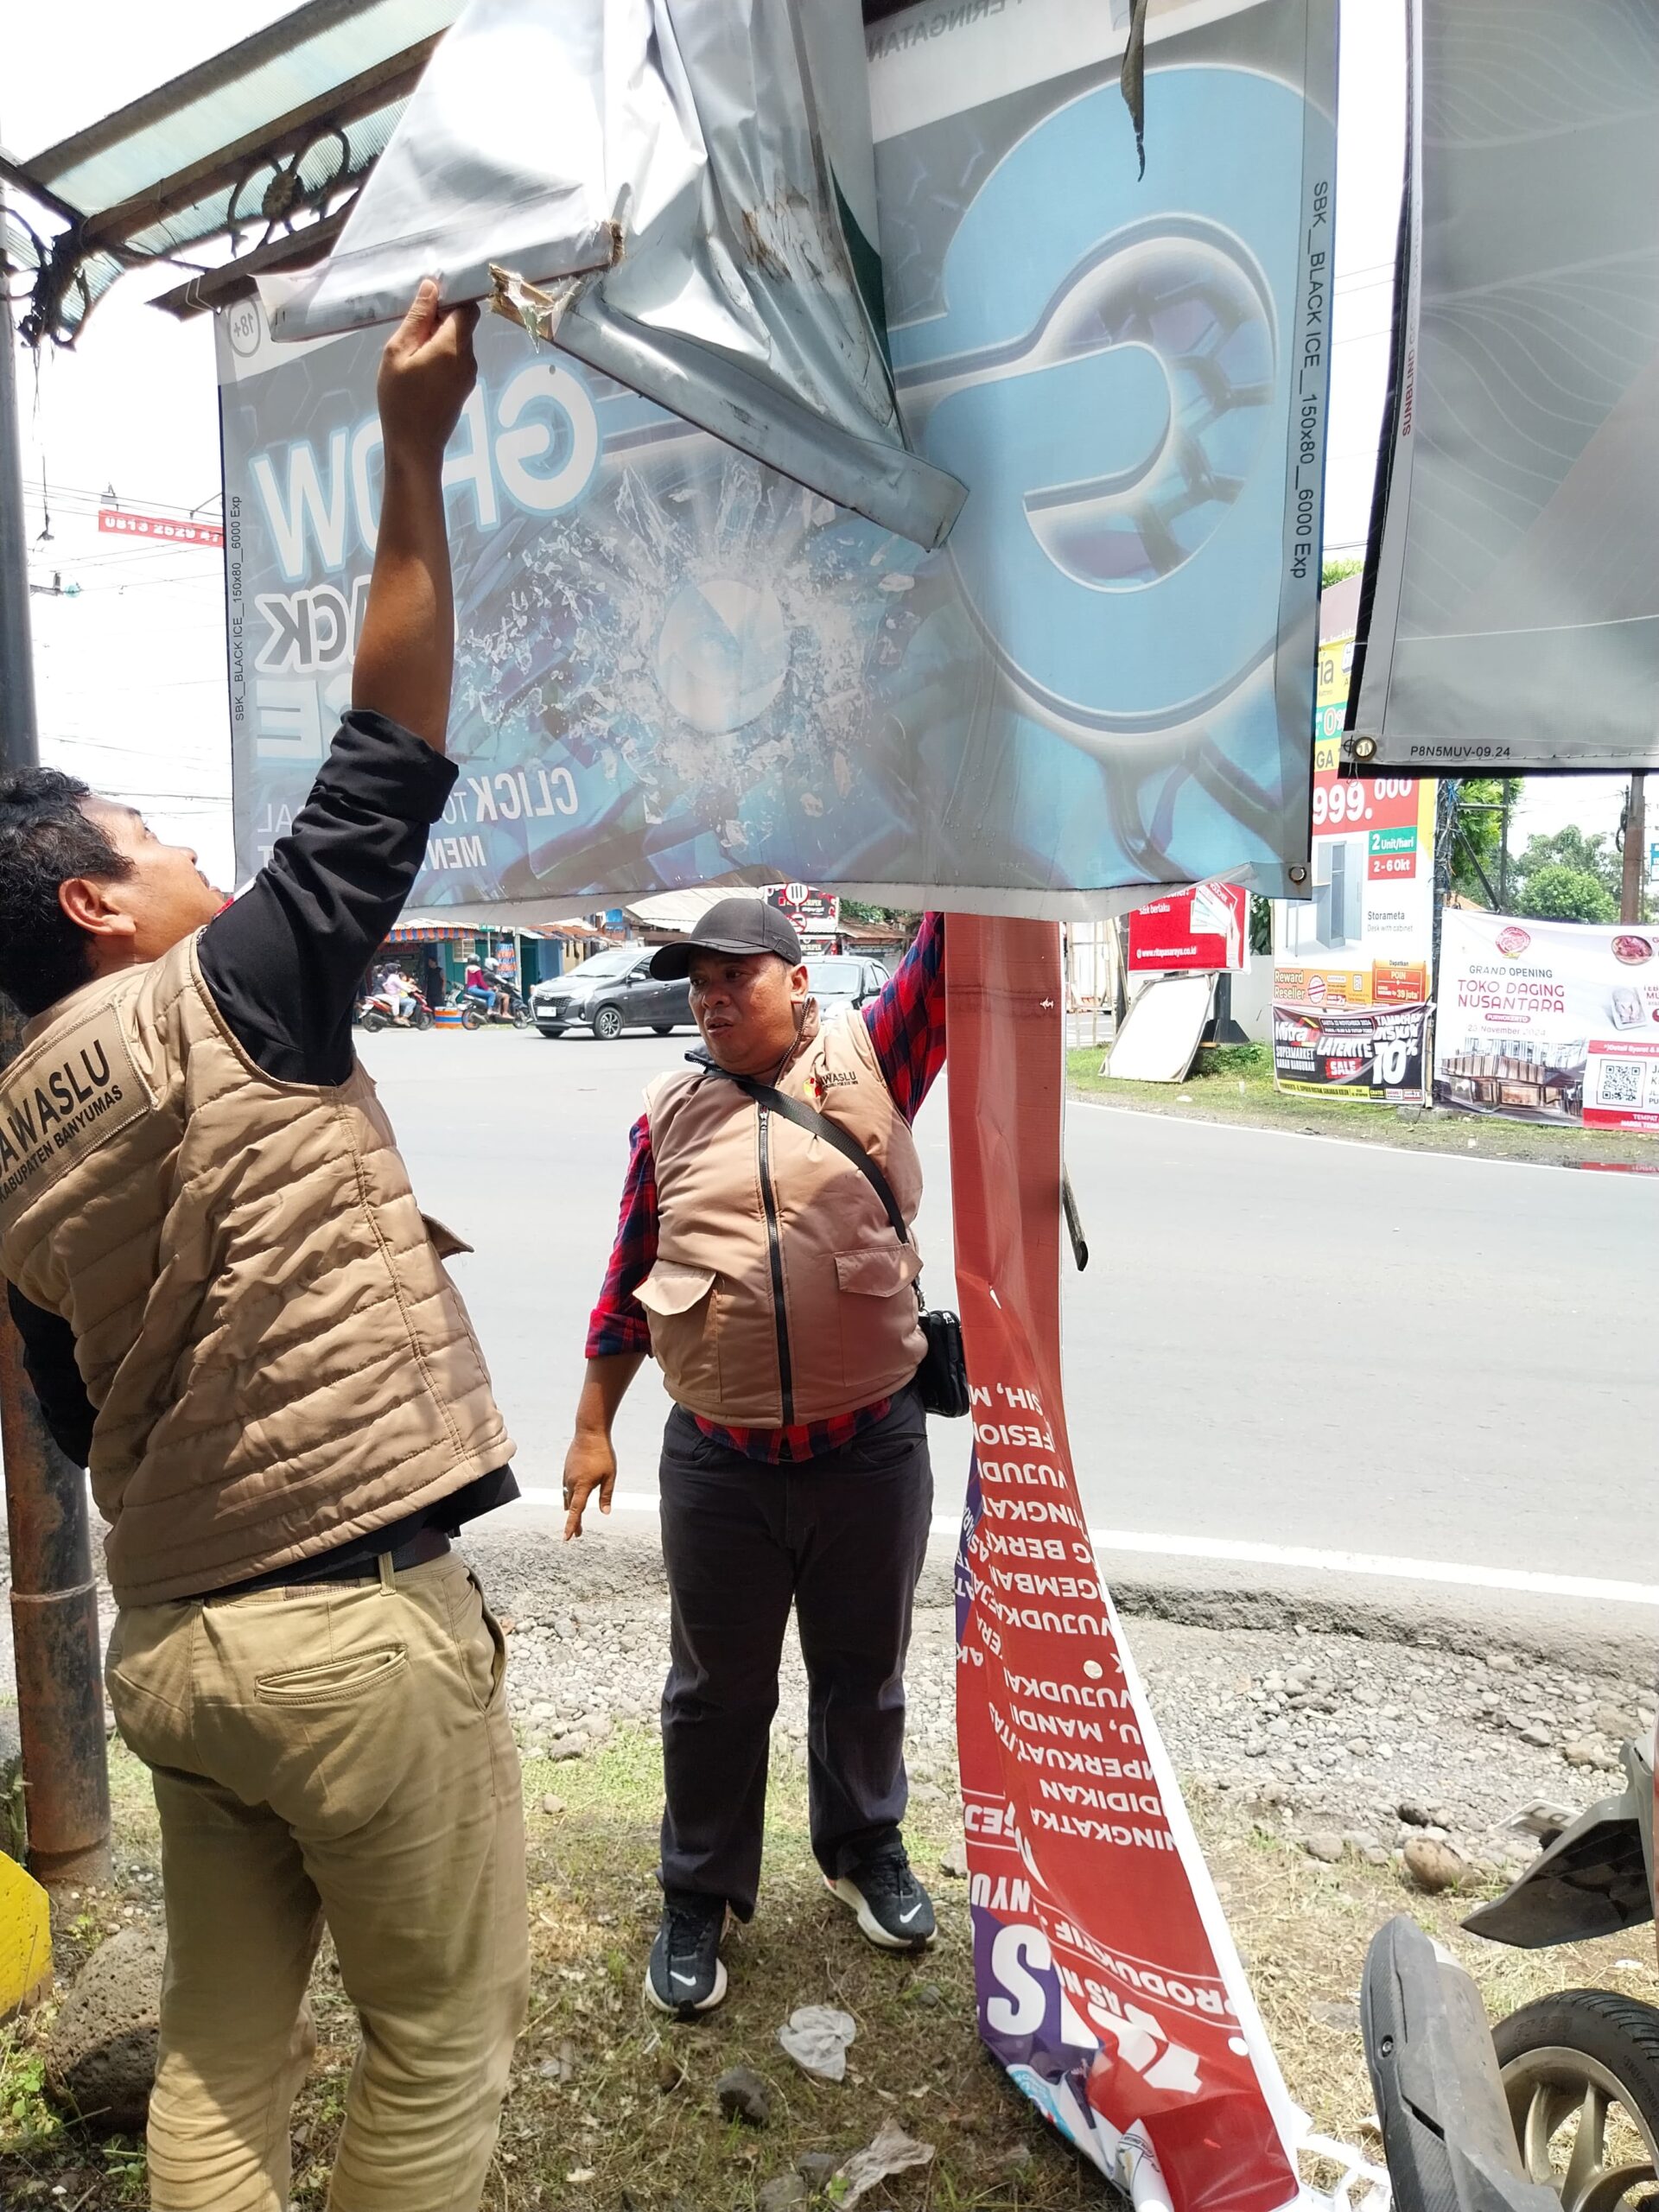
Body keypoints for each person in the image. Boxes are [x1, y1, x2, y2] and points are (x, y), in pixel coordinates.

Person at [0, 284, 528, 2212]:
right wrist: (410, 446)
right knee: (433, 2043)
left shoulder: (5, 1153)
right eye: (154, 844)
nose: (197, 864)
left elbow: (70, 1411)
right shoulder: (227, 995)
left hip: (180, 1646)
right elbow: (388, 750)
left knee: (226, 2053)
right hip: (353, 1628)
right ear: (96, 904)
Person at [563, 898, 945, 2018]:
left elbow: (952, 945)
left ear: (795, 977)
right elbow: (629, 1269)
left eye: (738, 976)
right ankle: (698, 1894)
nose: (716, 997)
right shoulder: (669, 1111)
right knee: (712, 1694)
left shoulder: (876, 1053)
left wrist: (956, 818)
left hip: (869, 1448)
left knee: (863, 1669)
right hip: (721, 1466)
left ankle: (865, 1845)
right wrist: (595, 1424)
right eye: (699, 983)